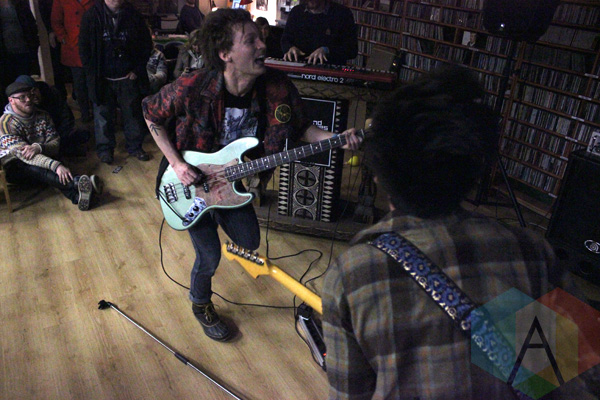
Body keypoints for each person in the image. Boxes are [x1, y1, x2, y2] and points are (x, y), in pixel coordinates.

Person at [321, 65, 598, 399]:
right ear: (474, 168)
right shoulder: (531, 252)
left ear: (379, 174)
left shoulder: (352, 275)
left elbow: (350, 395)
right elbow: (578, 379)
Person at [142, 8, 361, 342]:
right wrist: (176, 163)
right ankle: (200, 302)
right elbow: (150, 113)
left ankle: (217, 211)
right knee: (209, 255)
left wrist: (337, 139)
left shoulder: (276, 86)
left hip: (231, 180)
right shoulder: (194, 84)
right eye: (251, 40)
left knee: (249, 241)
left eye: (261, 38)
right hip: (189, 181)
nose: (262, 45)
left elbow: (301, 128)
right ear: (225, 53)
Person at [0, 80, 101, 210]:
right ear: (11, 100)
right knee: (35, 166)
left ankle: (77, 195)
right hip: (16, 168)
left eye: (29, 95)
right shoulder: (5, 123)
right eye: (22, 97)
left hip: (43, 158)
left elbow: (55, 144)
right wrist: (56, 166)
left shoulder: (43, 116)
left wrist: (39, 147)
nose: (28, 100)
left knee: (55, 165)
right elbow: (24, 156)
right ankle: (77, 183)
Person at [79, 0, 153, 164]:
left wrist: (137, 70)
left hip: (127, 77)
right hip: (102, 79)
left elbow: (146, 45)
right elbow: (84, 48)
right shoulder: (91, 16)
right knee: (102, 117)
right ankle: (105, 150)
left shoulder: (134, 15)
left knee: (132, 115)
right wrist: (92, 73)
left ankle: (135, 147)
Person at [15, 75, 90, 157]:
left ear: (38, 88)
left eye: (34, 90)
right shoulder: (23, 106)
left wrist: (59, 136)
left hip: (58, 130)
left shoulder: (52, 93)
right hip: (40, 138)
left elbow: (66, 116)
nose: (34, 96)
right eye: (29, 94)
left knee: (82, 136)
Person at [51, 0, 95, 123]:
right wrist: (63, 38)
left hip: (93, 45)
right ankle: (85, 113)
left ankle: (97, 112)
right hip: (74, 46)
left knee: (94, 82)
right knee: (79, 83)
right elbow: (56, 21)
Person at [281, 0, 357, 65]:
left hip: (329, 69)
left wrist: (326, 50)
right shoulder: (296, 11)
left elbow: (352, 50)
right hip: (298, 66)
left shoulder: (343, 14)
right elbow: (285, 40)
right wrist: (290, 48)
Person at [0, 0, 39, 89]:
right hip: (4, 54)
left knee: (23, 82)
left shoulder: (19, 3)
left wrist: (34, 44)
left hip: (23, 49)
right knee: (6, 84)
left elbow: (31, 23)